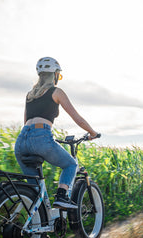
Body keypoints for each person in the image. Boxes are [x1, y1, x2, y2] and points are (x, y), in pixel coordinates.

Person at [15, 57, 99, 209]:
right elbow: (77, 118)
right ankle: (61, 196)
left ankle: (41, 225)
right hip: (41, 138)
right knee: (71, 164)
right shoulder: (56, 92)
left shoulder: (30, 95)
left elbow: (26, 121)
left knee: (35, 193)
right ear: (54, 75)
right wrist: (92, 132)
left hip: (21, 141)